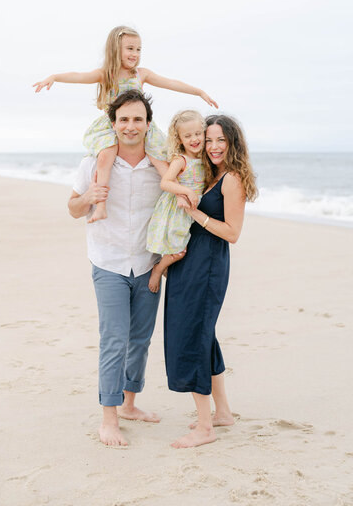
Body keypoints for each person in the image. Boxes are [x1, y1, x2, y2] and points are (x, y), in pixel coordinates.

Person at [34, 25, 218, 222]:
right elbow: (79, 76)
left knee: (160, 159)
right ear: (116, 49)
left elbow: (170, 82)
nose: (135, 54)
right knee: (106, 155)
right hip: (113, 126)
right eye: (130, 48)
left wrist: (198, 91)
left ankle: (181, 196)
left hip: (140, 125)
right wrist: (54, 77)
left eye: (138, 50)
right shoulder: (106, 74)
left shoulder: (141, 74)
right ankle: (101, 206)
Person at [68, 89, 163, 448]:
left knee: (139, 340)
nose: (130, 126)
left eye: (138, 119)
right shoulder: (93, 163)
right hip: (107, 262)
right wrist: (88, 199)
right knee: (114, 340)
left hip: (147, 265)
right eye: (124, 119)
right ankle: (109, 418)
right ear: (113, 124)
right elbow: (73, 208)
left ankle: (129, 404)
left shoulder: (160, 166)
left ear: (148, 125)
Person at [164, 114, 258, 448]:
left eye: (221, 140)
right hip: (190, 260)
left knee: (191, 336)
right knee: (204, 335)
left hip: (207, 265)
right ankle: (223, 413)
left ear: (233, 142)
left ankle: (205, 428)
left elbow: (232, 233)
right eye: (209, 139)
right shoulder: (206, 172)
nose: (214, 146)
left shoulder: (232, 179)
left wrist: (195, 214)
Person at [146, 110, 206, 293]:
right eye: (187, 136)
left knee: (183, 247)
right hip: (177, 209)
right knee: (179, 251)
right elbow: (165, 182)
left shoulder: (205, 158)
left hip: (192, 210)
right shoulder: (181, 160)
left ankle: (167, 270)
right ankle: (158, 269)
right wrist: (185, 191)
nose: (194, 139)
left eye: (198, 134)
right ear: (179, 139)